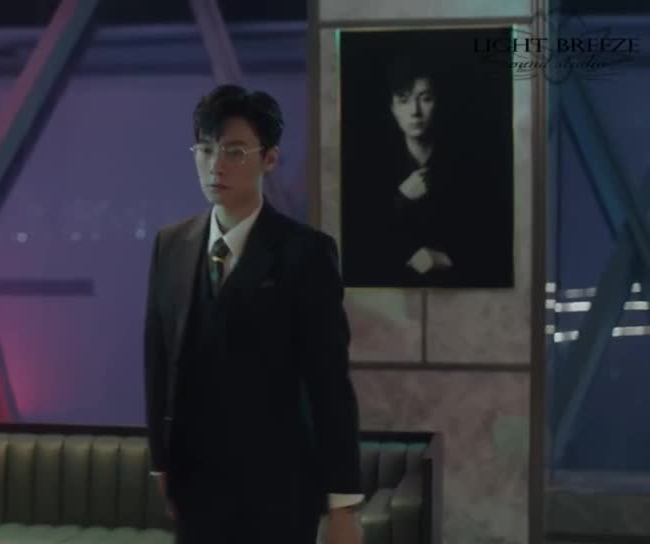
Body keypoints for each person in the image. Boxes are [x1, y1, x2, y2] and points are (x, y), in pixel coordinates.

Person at [142, 84, 363, 543]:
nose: (215, 165)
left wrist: (343, 504)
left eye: (234, 151)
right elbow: (158, 364)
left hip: (280, 489)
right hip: (196, 486)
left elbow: (329, 383)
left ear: (270, 159)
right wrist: (161, 463)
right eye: (205, 149)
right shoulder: (171, 246)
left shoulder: (305, 254)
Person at [340, 53, 513, 288]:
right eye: (404, 100)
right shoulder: (372, 169)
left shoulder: (470, 167)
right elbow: (361, 247)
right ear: (392, 108)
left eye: (426, 98)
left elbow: (495, 244)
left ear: (438, 102)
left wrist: (447, 259)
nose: (415, 111)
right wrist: (401, 198)